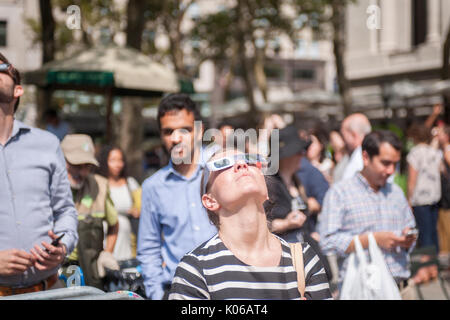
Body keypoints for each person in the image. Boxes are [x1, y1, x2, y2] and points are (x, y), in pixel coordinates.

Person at [168, 149, 332, 300]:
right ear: (210, 201)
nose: (241, 164)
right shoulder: (195, 270)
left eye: (250, 160)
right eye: (223, 164)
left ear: (266, 190)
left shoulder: (303, 259)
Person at [0, 53, 78, 296]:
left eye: (2, 67)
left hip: (49, 290)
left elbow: (65, 211)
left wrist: (62, 247)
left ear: (18, 90)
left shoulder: (47, 143)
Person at [319, 130, 417, 300]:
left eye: (395, 164)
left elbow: (410, 227)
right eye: (385, 163)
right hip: (364, 291)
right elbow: (327, 242)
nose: (391, 170)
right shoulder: (340, 193)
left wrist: (407, 239)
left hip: (403, 288)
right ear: (366, 157)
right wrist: (370, 240)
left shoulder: (396, 193)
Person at [137, 93, 217, 300]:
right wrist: (156, 295)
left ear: (199, 131)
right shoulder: (153, 187)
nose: (175, 138)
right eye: (168, 131)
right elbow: (148, 250)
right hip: (180, 292)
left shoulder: (221, 170)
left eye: (184, 130)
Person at [61, 134, 119, 290]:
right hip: (59, 272)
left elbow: (114, 224)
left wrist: (107, 253)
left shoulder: (99, 186)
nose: (83, 172)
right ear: (61, 160)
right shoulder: (48, 188)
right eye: (77, 165)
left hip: (91, 272)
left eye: (87, 166)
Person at [98, 145, 141, 261]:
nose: (117, 164)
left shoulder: (130, 183)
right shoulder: (99, 183)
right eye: (113, 160)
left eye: (120, 160)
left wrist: (137, 211)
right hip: (104, 237)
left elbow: (143, 207)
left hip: (127, 238)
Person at [406, 123, 442, 253]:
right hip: (434, 197)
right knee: (433, 232)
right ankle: (435, 262)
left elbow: (412, 179)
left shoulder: (415, 153)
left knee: (424, 234)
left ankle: (429, 265)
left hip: (420, 199)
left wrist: (409, 200)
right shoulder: (434, 152)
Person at [338, 113, 372, 182]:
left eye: (343, 136)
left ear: (354, 135)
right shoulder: (372, 152)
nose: (343, 141)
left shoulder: (360, 156)